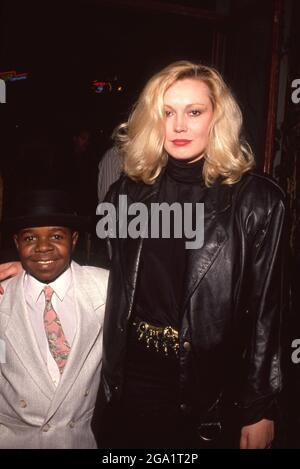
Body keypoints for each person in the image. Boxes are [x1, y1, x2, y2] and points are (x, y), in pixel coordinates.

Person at [93, 60, 286, 449]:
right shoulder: (126, 195)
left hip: (210, 388)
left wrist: (260, 406)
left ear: (217, 118)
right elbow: (102, 279)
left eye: (194, 112)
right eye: (167, 113)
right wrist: (27, 277)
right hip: (134, 379)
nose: (179, 126)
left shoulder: (258, 202)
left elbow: (269, 312)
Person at [0, 190, 108, 448]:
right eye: (30, 238)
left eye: (56, 236)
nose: (43, 246)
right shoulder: (3, 297)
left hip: (82, 440)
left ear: (74, 239)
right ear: (17, 243)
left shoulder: (107, 289)